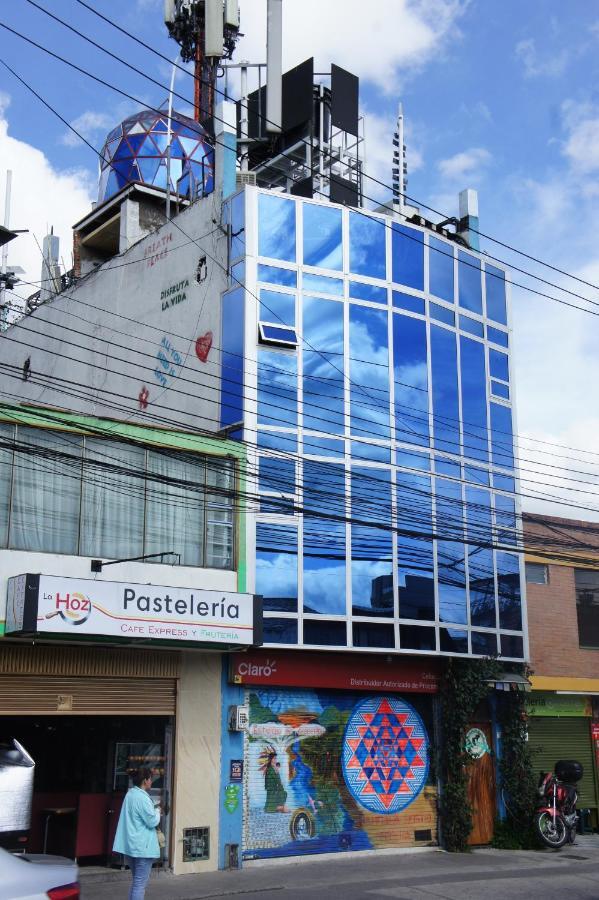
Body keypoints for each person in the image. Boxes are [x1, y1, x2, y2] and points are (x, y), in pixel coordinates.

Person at [113, 767, 161, 900]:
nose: (151, 781)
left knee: (136, 883)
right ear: (145, 780)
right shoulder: (142, 798)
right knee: (140, 885)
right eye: (150, 779)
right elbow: (152, 821)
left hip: (130, 847)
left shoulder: (130, 794)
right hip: (142, 848)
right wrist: (157, 811)